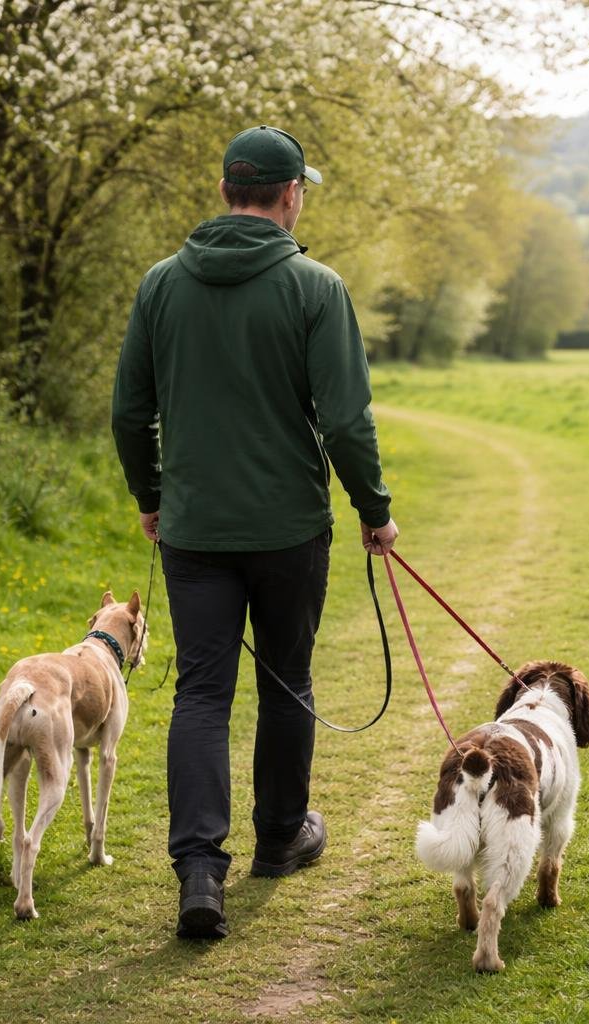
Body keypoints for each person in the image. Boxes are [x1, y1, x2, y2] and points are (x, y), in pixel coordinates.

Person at [111, 125, 397, 941]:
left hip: (194, 529)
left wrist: (151, 494)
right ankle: (279, 839)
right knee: (286, 680)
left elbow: (131, 410)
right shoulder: (316, 287)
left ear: (229, 191)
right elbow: (345, 420)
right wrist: (374, 511)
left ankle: (201, 872)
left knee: (200, 693)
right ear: (289, 194)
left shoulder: (161, 285)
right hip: (286, 531)